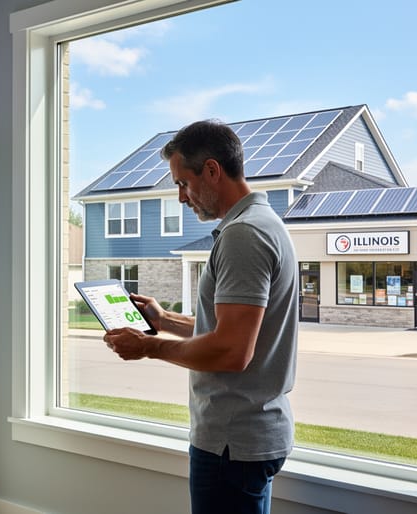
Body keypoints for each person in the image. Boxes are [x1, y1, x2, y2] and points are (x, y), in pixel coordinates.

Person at [102, 119, 298, 514]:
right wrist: (164, 320)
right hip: (248, 438)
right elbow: (233, 331)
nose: (180, 197)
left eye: (182, 183)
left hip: (231, 443)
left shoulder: (244, 235)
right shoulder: (262, 222)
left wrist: (148, 347)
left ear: (211, 170)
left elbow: (231, 351)